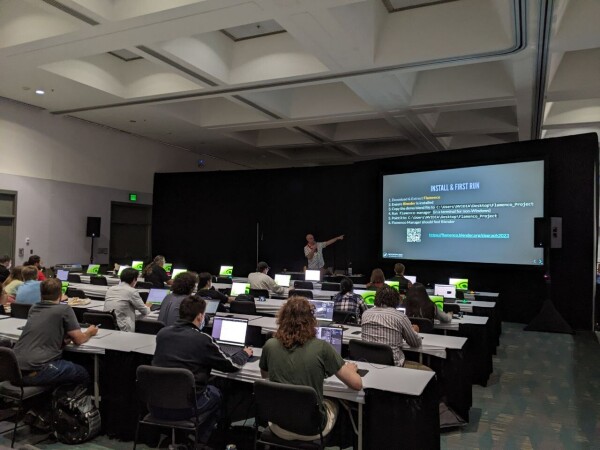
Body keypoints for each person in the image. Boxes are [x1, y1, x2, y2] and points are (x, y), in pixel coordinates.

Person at [152, 295, 252, 446]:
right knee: (217, 394)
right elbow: (233, 366)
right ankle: (198, 441)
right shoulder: (203, 339)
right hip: (186, 406)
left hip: (155, 404)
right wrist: (244, 353)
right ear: (199, 316)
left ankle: (184, 439)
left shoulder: (162, 334)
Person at [259, 296, 362, 441]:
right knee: (335, 400)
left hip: (278, 424)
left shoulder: (269, 345)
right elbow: (357, 384)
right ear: (311, 321)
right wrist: (350, 369)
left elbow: (266, 378)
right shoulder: (322, 348)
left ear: (282, 318)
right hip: (312, 429)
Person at [13, 278, 98, 386]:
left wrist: (61, 340)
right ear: (60, 294)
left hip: (14, 370)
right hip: (38, 370)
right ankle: (70, 401)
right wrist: (90, 332)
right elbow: (79, 339)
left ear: (41, 293)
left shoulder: (34, 308)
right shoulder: (64, 309)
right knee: (83, 373)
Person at [361, 285, 423, 368]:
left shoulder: (365, 314)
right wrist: (414, 330)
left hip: (368, 363)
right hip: (392, 366)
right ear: (396, 300)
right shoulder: (400, 317)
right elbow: (416, 343)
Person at [103, 267, 150, 332]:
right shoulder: (132, 291)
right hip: (124, 328)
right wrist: (148, 307)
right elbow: (145, 311)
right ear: (134, 280)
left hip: (108, 327)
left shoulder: (110, 289)